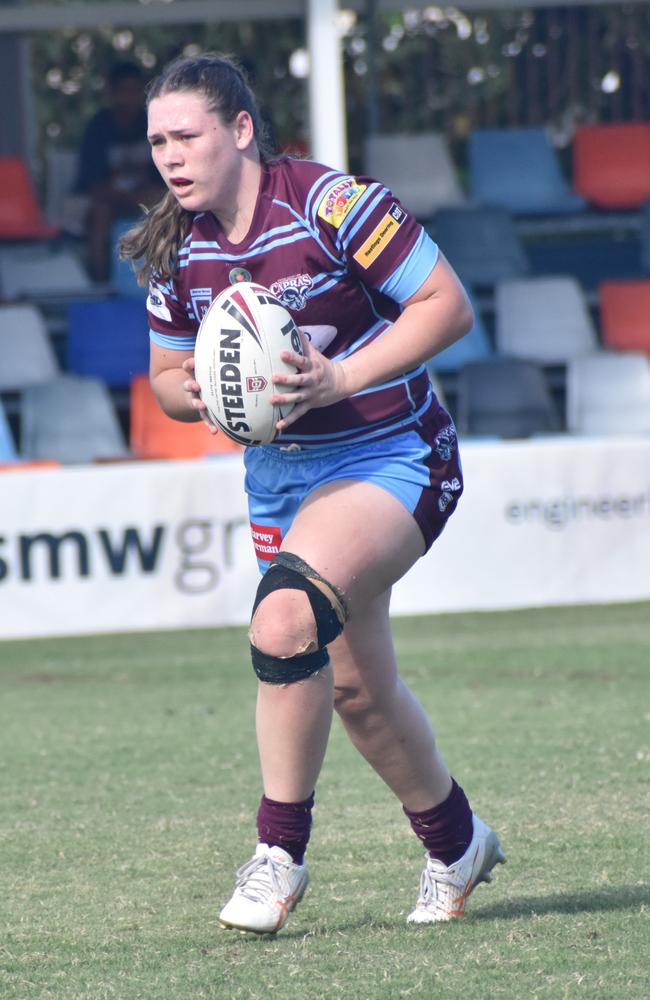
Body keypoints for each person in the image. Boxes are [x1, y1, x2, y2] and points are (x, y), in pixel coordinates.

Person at [120, 52, 505, 935]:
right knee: (356, 690)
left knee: (284, 619)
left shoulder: (330, 204)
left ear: (242, 128)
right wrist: (218, 388)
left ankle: (277, 854)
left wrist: (337, 381)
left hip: (393, 452)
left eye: (187, 135)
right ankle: (457, 844)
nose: (170, 157)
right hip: (282, 479)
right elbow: (167, 381)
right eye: (156, 142)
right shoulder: (173, 242)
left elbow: (445, 306)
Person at [75, 60, 165, 281]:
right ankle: (101, 281)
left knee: (165, 208)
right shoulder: (98, 127)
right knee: (100, 214)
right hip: (109, 201)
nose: (129, 97)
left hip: (146, 198)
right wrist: (123, 193)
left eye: (135, 90)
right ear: (112, 93)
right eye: (123, 90)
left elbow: (164, 179)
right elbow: (92, 185)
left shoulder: (152, 123)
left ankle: (165, 275)